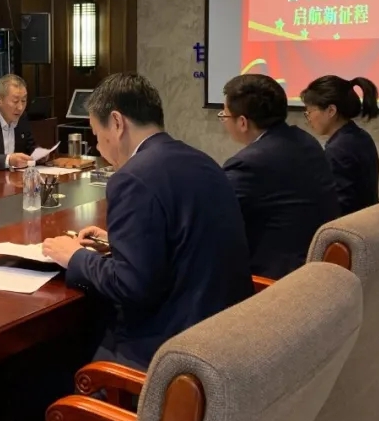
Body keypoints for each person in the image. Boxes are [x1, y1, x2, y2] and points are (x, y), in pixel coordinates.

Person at [41, 73, 254, 370]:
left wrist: (75, 256)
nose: (98, 147)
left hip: (174, 347)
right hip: (226, 329)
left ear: (117, 123)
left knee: (50, 361)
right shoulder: (202, 160)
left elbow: (131, 286)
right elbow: (183, 239)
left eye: (96, 135)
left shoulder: (132, 177)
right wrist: (118, 242)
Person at [220, 73, 340, 281]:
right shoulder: (305, 141)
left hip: (274, 279)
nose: (223, 120)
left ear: (242, 122)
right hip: (315, 267)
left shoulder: (249, 164)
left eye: (224, 115)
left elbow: (215, 218)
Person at [301, 75, 379, 216]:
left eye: (310, 112)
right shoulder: (360, 136)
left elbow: (339, 206)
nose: (308, 119)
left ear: (331, 111)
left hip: (350, 225)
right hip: (369, 220)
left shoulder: (337, 150)